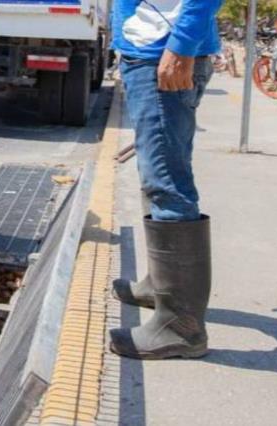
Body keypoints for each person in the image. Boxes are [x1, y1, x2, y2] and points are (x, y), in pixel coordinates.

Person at [109, 0, 222, 360]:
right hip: (149, 49)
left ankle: (180, 327)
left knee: (167, 183)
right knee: (157, 173)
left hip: (164, 51)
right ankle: (160, 285)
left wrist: (181, 46)